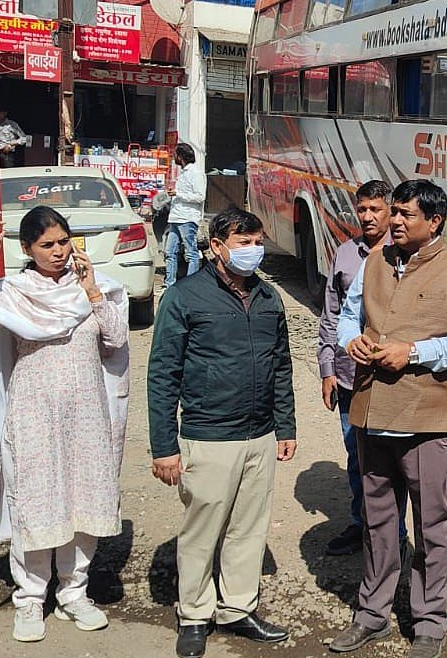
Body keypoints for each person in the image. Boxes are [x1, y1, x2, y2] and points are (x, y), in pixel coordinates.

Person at [329, 179, 447, 658]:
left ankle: (428, 623)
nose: (394, 221)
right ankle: (372, 615)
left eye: (405, 215)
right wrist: (348, 342)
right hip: (372, 410)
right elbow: (347, 315)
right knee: (378, 523)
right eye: (393, 212)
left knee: (432, 525)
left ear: (434, 221)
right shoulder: (373, 260)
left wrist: (416, 352)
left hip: (429, 417)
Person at [0, 206, 129, 643]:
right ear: (27, 249)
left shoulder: (93, 287)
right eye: (47, 244)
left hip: (86, 414)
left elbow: (116, 340)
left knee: (83, 497)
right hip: (33, 413)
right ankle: (30, 599)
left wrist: (91, 291)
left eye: (63, 241)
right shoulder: (13, 292)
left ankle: (75, 593)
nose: (57, 251)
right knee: (36, 501)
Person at [147, 207, 297, 658]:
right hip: (208, 435)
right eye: (243, 242)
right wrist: (164, 447)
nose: (253, 250)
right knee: (202, 529)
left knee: (248, 529)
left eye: (257, 241)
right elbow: (162, 374)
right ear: (216, 247)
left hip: (259, 435)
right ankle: (194, 614)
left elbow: (282, 367)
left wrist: (285, 425)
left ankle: (237, 608)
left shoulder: (270, 299)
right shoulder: (184, 298)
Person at [318, 179, 407, 556]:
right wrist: (327, 369)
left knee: (394, 461)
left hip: (391, 378)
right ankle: (363, 525)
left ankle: (396, 535)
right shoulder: (345, 253)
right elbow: (330, 314)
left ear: (391, 212)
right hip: (349, 376)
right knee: (357, 455)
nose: (368, 217)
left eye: (376, 210)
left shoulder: (404, 254)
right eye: (363, 209)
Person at [164, 143, 206, 288]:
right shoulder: (183, 173)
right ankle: (170, 283)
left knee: (191, 253)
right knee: (170, 252)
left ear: (180, 156)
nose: (174, 157)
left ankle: (191, 285)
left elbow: (200, 196)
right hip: (175, 217)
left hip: (187, 218)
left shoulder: (196, 173)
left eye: (175, 155)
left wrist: (178, 194)